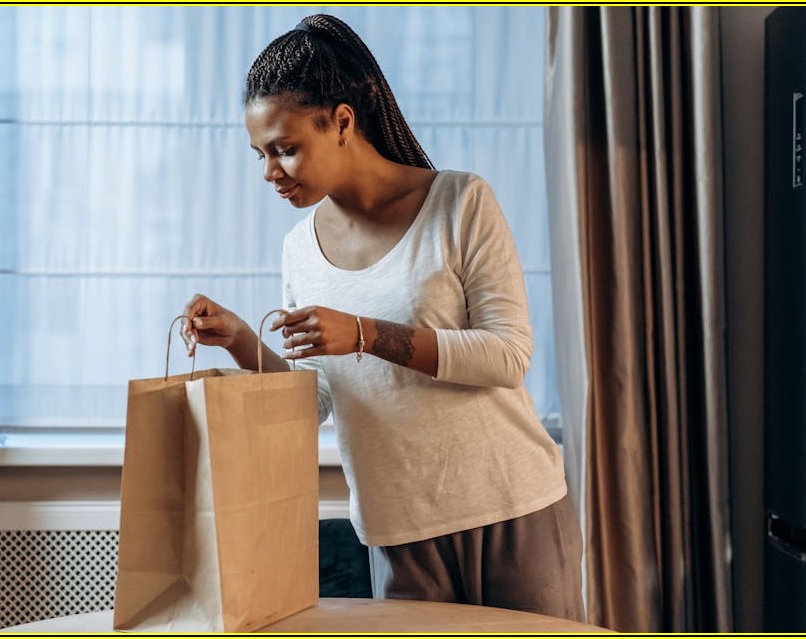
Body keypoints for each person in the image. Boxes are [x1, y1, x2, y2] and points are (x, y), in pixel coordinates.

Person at [183, 13, 585, 621]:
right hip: (397, 531)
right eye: (261, 154)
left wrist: (368, 335)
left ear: (342, 121)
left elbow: (507, 356)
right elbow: (313, 400)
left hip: (511, 508)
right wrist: (240, 338)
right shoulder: (299, 247)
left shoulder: (459, 203)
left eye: (286, 149)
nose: (270, 172)